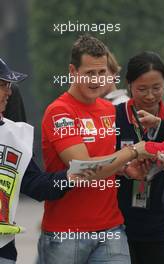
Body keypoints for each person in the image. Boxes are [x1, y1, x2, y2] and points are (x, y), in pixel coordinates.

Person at [37, 35, 153, 264]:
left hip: (112, 229)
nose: (97, 80)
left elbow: (107, 161)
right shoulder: (59, 112)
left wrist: (125, 170)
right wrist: (133, 152)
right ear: (72, 70)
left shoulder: (109, 110)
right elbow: (83, 169)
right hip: (66, 234)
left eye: (102, 73)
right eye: (89, 73)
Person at [0, 57, 78, 264]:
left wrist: (74, 175)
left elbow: (37, 185)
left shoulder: (15, 135)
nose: (9, 92)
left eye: (9, 85)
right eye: (2, 85)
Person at [115, 51, 164, 264]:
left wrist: (162, 127)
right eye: (142, 89)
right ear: (129, 85)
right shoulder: (113, 118)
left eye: (156, 88)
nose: (150, 96)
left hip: (157, 230)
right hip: (116, 227)